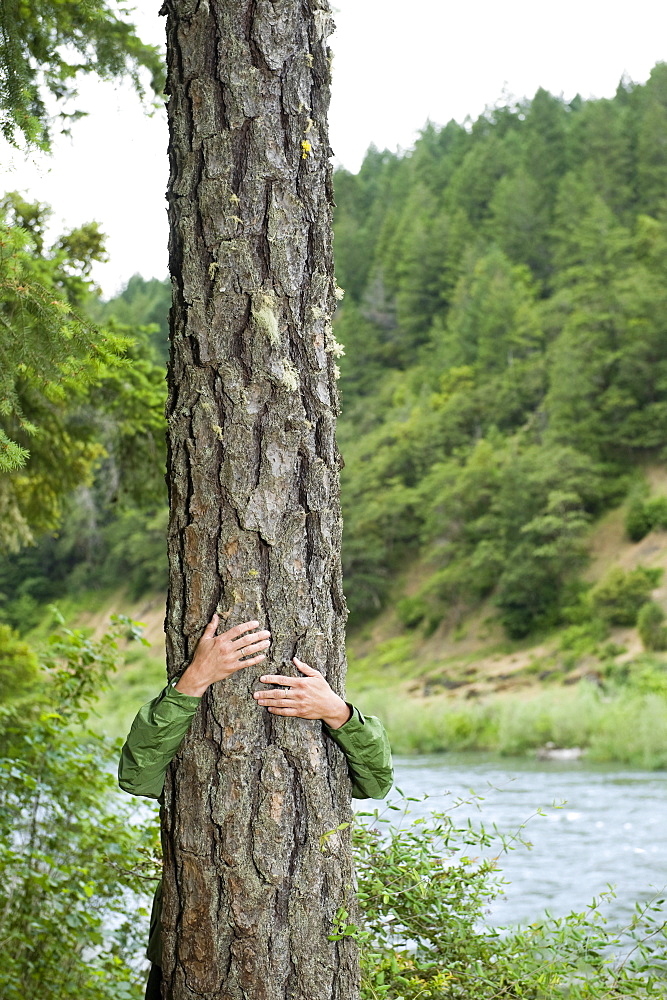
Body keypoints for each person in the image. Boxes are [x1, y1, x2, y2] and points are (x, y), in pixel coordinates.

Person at [118, 614, 393, 1000]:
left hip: (306, 950)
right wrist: (195, 679)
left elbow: (377, 782)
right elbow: (136, 774)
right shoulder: (182, 705)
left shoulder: (329, 720)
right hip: (191, 946)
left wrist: (337, 712)